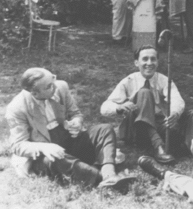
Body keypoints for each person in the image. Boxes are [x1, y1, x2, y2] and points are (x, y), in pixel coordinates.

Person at [6, 68, 136, 190]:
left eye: (53, 79)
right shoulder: (17, 107)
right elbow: (17, 145)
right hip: (46, 154)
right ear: (34, 93)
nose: (55, 86)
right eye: (49, 86)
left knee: (104, 129)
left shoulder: (61, 87)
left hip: (68, 141)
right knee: (55, 158)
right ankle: (101, 178)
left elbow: (75, 113)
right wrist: (44, 147)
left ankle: (109, 171)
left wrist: (77, 122)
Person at [100, 45, 193, 165]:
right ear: (136, 62)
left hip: (159, 125)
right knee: (144, 92)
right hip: (136, 130)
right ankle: (158, 147)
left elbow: (176, 99)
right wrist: (118, 108)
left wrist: (174, 113)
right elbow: (104, 107)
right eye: (145, 59)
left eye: (153, 59)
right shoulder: (129, 81)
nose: (149, 63)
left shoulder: (164, 80)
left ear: (157, 62)